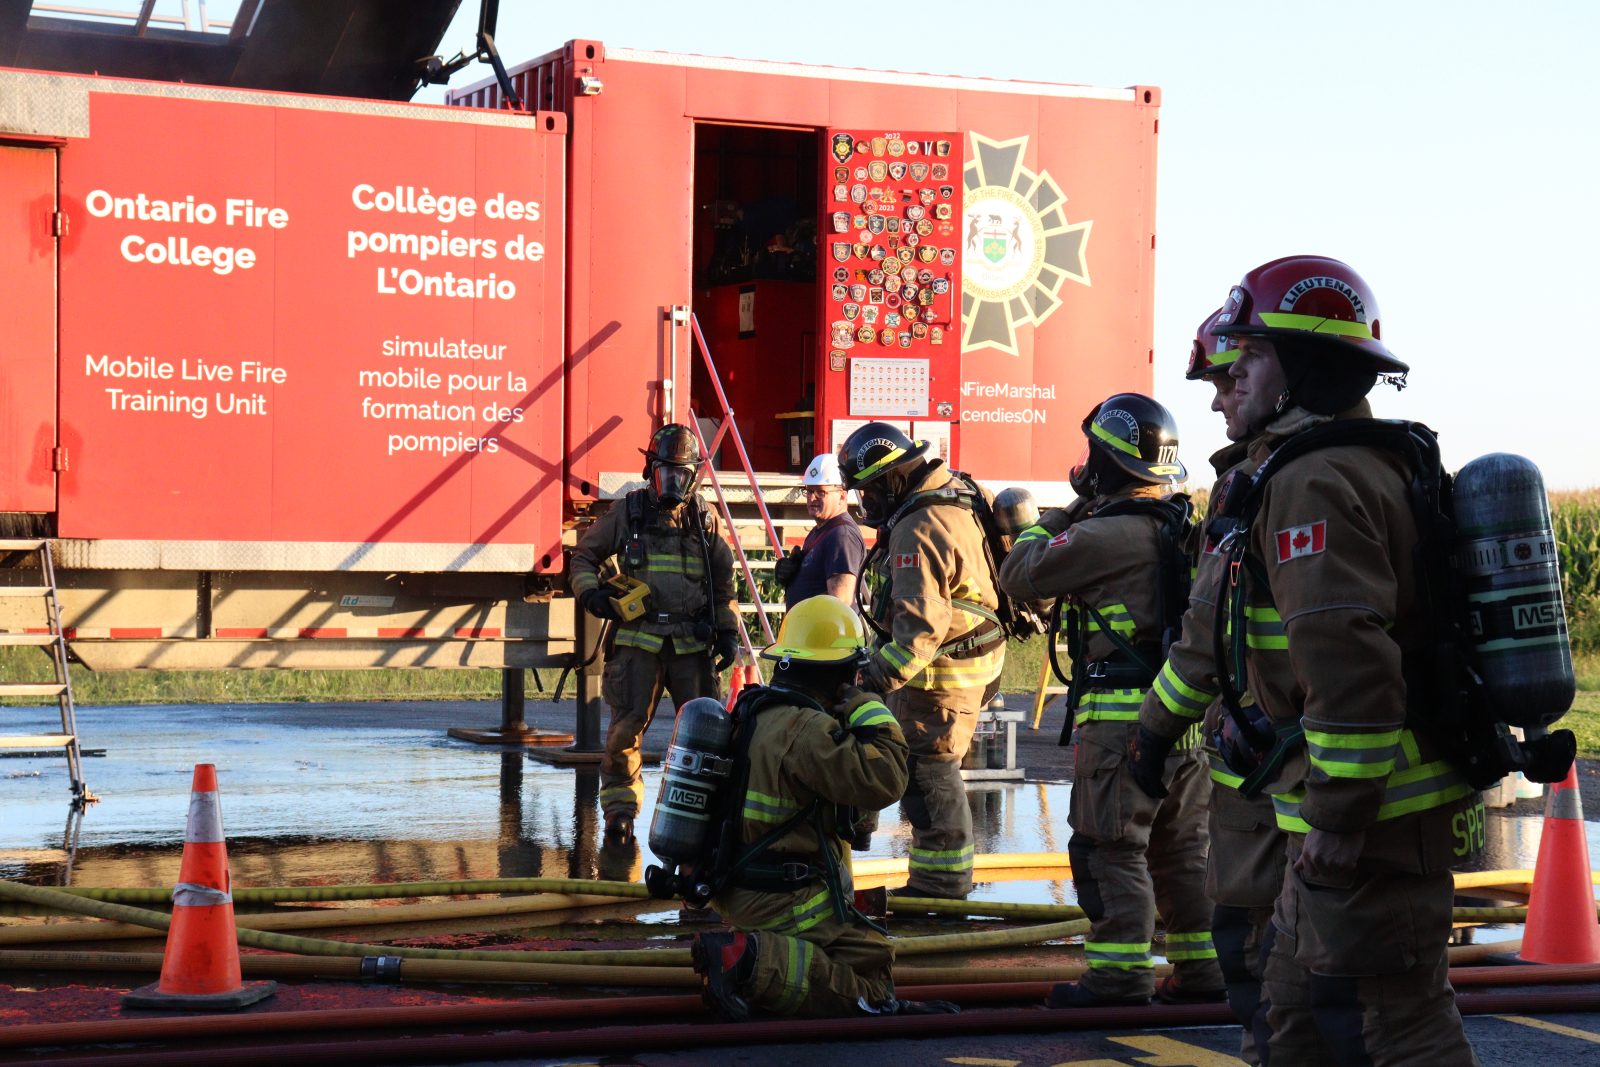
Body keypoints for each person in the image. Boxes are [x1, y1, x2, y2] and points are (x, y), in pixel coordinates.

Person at [1129, 256, 1483, 1066]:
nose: (1226, 382)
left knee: (1396, 1028)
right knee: (1295, 1023)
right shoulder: (1328, 467)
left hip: (1372, 824)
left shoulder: (1313, 482)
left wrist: (1339, 812)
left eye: (1246, 361)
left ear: (1305, 367)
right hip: (1350, 820)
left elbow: (1348, 659)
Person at [997, 393, 1224, 1009]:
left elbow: (1020, 572)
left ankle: (1119, 975)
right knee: (1182, 848)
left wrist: (1062, 512)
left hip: (1119, 724)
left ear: (1110, 463)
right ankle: (1203, 971)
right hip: (1183, 723)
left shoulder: (1103, 533)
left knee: (1110, 846)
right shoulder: (1180, 528)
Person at [691, 595, 957, 1019]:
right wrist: (869, 706)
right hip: (786, 899)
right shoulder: (808, 731)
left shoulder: (758, 710)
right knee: (870, 992)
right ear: (841, 673)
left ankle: (759, 956)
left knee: (874, 959)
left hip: (746, 885)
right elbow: (887, 778)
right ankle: (750, 961)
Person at [838, 422, 1006, 900]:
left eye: (868, 491)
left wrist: (868, 680)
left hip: (946, 672)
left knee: (930, 770)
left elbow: (918, 635)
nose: (865, 504)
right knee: (926, 765)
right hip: (971, 656)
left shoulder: (918, 527)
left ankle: (941, 887)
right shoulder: (957, 490)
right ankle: (940, 882)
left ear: (892, 478)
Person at [1182, 309, 1285, 1062]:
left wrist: (1157, 728)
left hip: (1278, 767)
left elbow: (1205, 631)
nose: (1219, 399)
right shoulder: (1260, 475)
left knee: (1265, 951)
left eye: (1229, 378)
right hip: (1263, 756)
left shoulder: (1271, 482)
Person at [569, 423, 740, 843]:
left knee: (706, 737)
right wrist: (593, 596)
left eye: (682, 475)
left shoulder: (704, 518)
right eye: (666, 473)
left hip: (691, 646)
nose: (673, 483)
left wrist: (727, 629)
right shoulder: (628, 512)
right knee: (625, 733)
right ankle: (620, 816)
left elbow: (724, 581)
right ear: (651, 470)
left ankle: (703, 818)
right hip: (637, 643)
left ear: (694, 475)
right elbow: (583, 557)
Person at [774, 453, 866, 610]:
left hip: (826, 634)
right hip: (810, 631)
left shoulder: (842, 535)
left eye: (820, 492)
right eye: (809, 491)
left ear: (842, 496)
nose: (812, 498)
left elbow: (840, 605)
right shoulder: (821, 531)